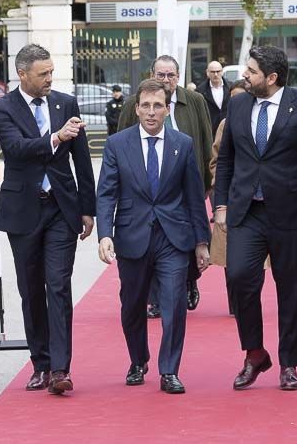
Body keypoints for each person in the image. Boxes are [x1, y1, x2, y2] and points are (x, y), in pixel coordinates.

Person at [214, 45, 297, 391]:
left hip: (294, 214)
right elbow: (226, 159)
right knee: (239, 277)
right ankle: (254, 353)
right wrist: (220, 203)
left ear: (271, 77)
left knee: (293, 290)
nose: (245, 76)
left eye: (251, 71)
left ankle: (289, 363)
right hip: (246, 211)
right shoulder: (237, 104)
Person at [0, 45, 96, 395]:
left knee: (58, 284)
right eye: (43, 74)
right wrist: (54, 137)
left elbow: (82, 159)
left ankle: (61, 369)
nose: (50, 78)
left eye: (52, 72)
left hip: (60, 209)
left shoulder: (65, 103)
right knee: (31, 289)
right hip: (23, 210)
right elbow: (17, 149)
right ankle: (41, 363)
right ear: (23, 74)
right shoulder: (1, 107)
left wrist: (87, 208)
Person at [97, 79, 211, 394]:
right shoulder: (117, 144)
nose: (151, 112)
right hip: (132, 237)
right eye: (145, 106)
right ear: (136, 109)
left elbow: (194, 196)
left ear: (166, 109)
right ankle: (138, 359)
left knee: (174, 302)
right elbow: (107, 194)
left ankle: (169, 370)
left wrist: (202, 242)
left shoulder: (182, 144)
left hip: (173, 238)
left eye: (157, 106)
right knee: (132, 305)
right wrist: (105, 234)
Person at [120, 55, 214, 312]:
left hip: (185, 182)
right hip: (148, 186)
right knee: (152, 239)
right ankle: (155, 298)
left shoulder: (194, 101)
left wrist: (207, 182)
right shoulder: (134, 104)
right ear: (151, 74)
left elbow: (206, 141)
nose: (166, 80)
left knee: (186, 237)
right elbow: (122, 142)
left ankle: (189, 281)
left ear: (178, 76)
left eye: (170, 75)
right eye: (160, 75)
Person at [208, 79, 249, 315]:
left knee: (253, 259)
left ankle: (249, 298)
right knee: (229, 257)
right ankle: (235, 302)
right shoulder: (225, 124)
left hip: (257, 199)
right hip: (231, 198)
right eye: (232, 96)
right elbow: (216, 161)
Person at [197, 61, 228, 132]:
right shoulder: (200, 91)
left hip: (228, 130)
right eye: (212, 72)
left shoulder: (230, 88)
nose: (216, 74)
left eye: (218, 71)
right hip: (210, 132)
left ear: (222, 72)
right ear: (207, 72)